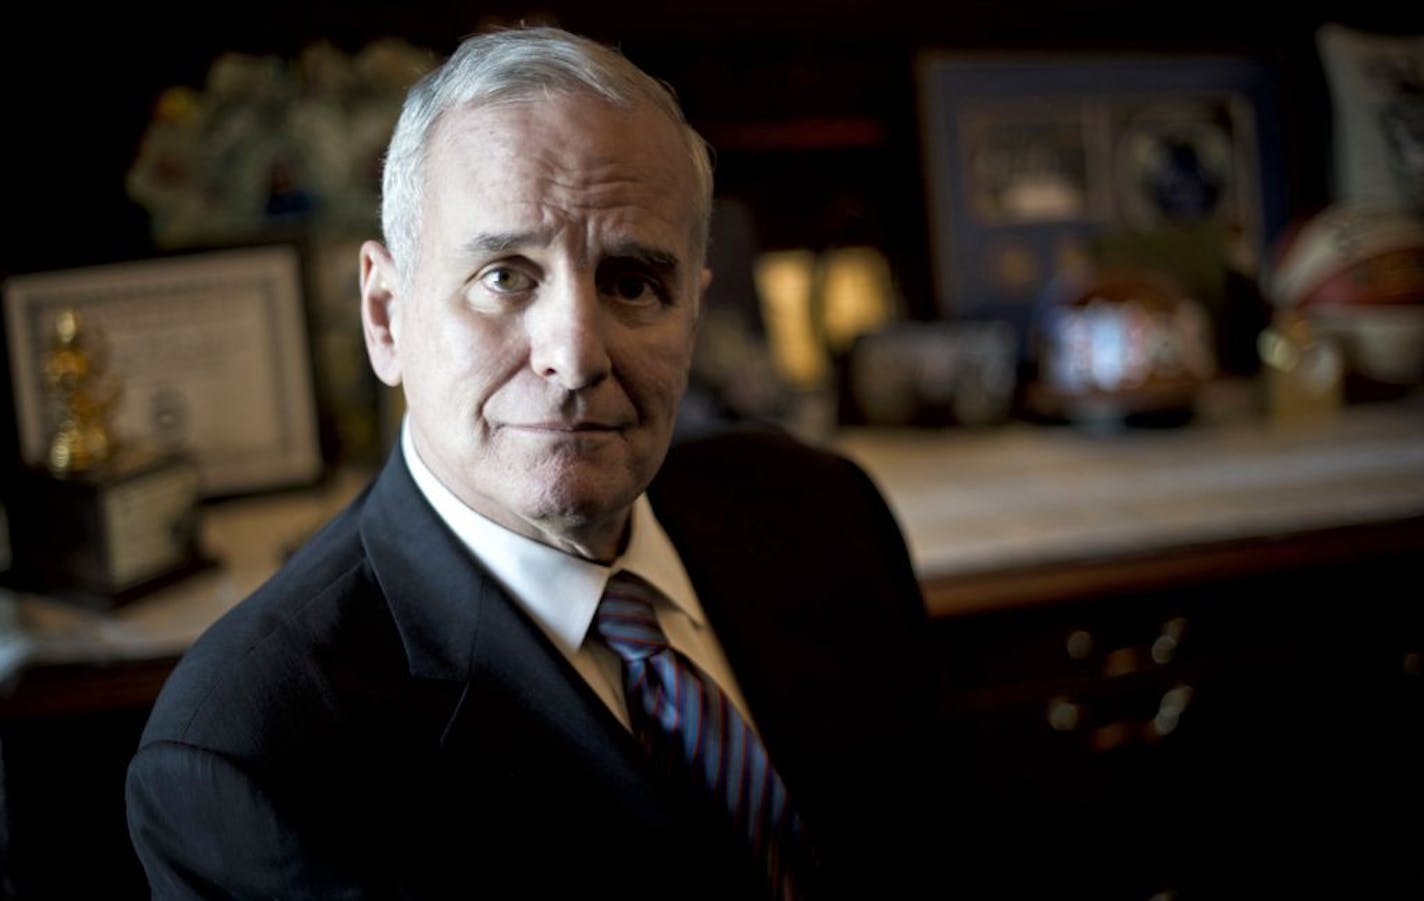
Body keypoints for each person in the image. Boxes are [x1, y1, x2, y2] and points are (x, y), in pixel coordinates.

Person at [126, 25, 939, 900]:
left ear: (692, 317)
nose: (575, 354)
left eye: (632, 281)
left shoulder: (825, 514)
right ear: (386, 315)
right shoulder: (252, 746)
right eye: (506, 276)